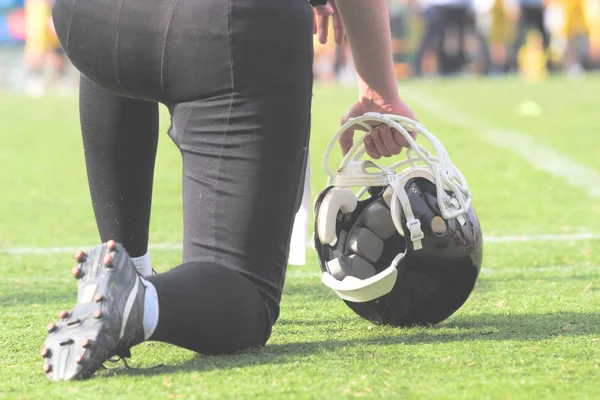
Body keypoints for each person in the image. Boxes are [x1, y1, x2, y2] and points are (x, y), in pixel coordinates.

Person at [41, 0, 418, 381]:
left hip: (87, 20)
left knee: (121, 42)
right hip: (220, 25)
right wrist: (379, 90)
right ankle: (137, 300)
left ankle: (124, 266)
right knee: (244, 291)